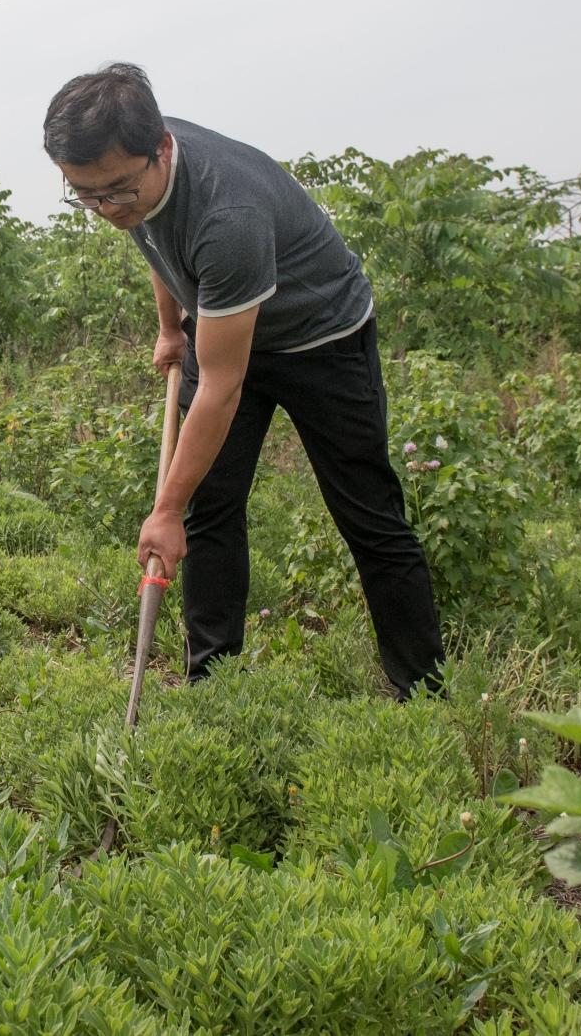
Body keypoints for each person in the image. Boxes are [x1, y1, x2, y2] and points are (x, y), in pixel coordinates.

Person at [42, 63, 442, 697]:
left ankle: (423, 691)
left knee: (367, 515)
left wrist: (164, 510)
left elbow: (225, 386)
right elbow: (157, 239)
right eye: (84, 195)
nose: (104, 209)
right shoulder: (129, 175)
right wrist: (171, 326)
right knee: (210, 509)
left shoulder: (228, 215)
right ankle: (214, 686)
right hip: (219, 323)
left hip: (322, 338)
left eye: (114, 192)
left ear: (162, 148)